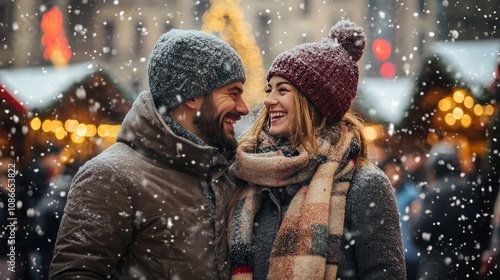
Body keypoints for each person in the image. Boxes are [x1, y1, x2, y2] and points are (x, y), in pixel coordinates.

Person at [50, 29, 249, 279]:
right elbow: (76, 274)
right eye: (232, 93)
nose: (243, 108)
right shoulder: (110, 175)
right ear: (192, 95)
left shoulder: (224, 174)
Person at [228, 20, 406, 280]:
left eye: (282, 90)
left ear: (312, 102)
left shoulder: (365, 185)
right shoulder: (251, 175)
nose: (268, 100)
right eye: (269, 89)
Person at [412, 142, 484, 279]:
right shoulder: (471, 189)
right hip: (467, 266)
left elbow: (419, 234)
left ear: (433, 166)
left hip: (437, 268)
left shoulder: (433, 192)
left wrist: (415, 215)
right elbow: (482, 229)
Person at [382, 158, 421, 280]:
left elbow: (419, 219)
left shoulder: (411, 192)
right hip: (389, 255)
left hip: (409, 254)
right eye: (390, 171)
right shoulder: (381, 192)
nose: (393, 175)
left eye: (396, 170)